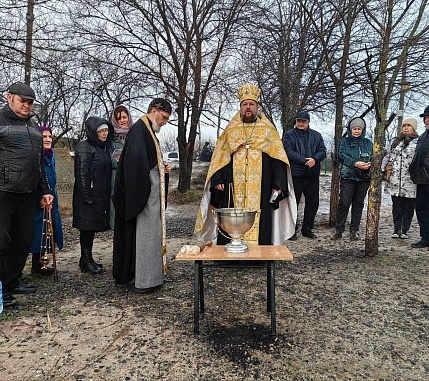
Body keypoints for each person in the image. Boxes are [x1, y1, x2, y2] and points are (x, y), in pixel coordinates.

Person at [194, 84, 296, 246]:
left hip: (262, 184)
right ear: (241, 107)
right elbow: (220, 155)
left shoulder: (268, 131)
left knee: (261, 218)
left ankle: (260, 254)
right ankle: (229, 255)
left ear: (257, 107)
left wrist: (278, 184)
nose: (248, 108)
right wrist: (218, 178)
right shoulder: (230, 130)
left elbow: (278, 159)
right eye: (245, 104)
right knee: (230, 215)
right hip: (233, 184)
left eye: (251, 104)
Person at [0, 82, 53, 308]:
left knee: (23, 239)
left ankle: (12, 280)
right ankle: (1, 290)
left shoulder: (33, 125)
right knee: (1, 242)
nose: (27, 106)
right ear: (9, 97)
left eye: (30, 103)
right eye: (23, 101)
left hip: (27, 193)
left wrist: (45, 191)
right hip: (3, 193)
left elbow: (39, 162)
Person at [112, 98, 172, 293]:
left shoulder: (148, 130)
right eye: (163, 117)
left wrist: (162, 169)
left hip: (150, 192)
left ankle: (148, 277)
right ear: (154, 111)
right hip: (145, 196)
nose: (164, 122)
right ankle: (145, 280)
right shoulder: (140, 130)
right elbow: (136, 167)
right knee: (145, 236)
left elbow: (148, 161)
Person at [73, 117, 113, 274]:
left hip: (98, 195)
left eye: (106, 130)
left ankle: (86, 259)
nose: (104, 133)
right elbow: (82, 172)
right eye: (101, 131)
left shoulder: (102, 148)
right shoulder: (85, 147)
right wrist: (86, 195)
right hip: (88, 196)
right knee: (86, 228)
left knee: (90, 228)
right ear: (93, 132)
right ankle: (86, 260)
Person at [282, 111, 326, 239]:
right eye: (298, 121)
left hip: (312, 174)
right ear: (295, 122)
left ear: (308, 122)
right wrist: (304, 161)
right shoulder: (289, 135)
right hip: (296, 174)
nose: (301, 123)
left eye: (303, 121)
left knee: (313, 203)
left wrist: (315, 159)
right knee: (293, 203)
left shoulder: (317, 136)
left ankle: (307, 228)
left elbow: (322, 150)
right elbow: (289, 151)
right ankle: (291, 230)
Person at [29, 126, 64, 275]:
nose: (48, 139)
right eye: (44, 137)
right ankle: (33, 266)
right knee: (37, 234)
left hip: (51, 197)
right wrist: (40, 196)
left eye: (49, 136)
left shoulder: (51, 155)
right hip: (39, 200)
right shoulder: (35, 156)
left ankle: (41, 265)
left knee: (47, 231)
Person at [331, 117, 372, 240]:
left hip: (364, 178)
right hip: (348, 177)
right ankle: (339, 230)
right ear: (350, 129)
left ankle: (354, 230)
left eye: (359, 129)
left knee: (358, 204)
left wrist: (369, 164)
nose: (357, 131)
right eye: (354, 129)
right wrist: (355, 163)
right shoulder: (344, 142)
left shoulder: (368, 142)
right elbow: (341, 156)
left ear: (363, 130)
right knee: (344, 203)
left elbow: (373, 156)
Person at [382, 118, 419, 239]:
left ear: (414, 128)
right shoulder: (395, 141)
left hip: (411, 180)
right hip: (395, 179)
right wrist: (383, 169)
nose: (406, 127)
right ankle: (396, 228)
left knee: (408, 206)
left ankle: (405, 230)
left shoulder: (419, 142)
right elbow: (387, 156)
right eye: (404, 125)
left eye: (409, 125)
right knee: (396, 205)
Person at [109, 105, 134, 230]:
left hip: (132, 177)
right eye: (119, 119)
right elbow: (106, 158)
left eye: (125, 117)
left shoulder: (135, 134)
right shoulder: (111, 137)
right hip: (117, 178)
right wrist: (116, 161)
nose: (123, 120)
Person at [409, 105, 429, 248]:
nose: (426, 120)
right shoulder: (423, 136)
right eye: (425, 118)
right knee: (421, 208)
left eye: (428, 118)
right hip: (421, 179)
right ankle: (425, 237)